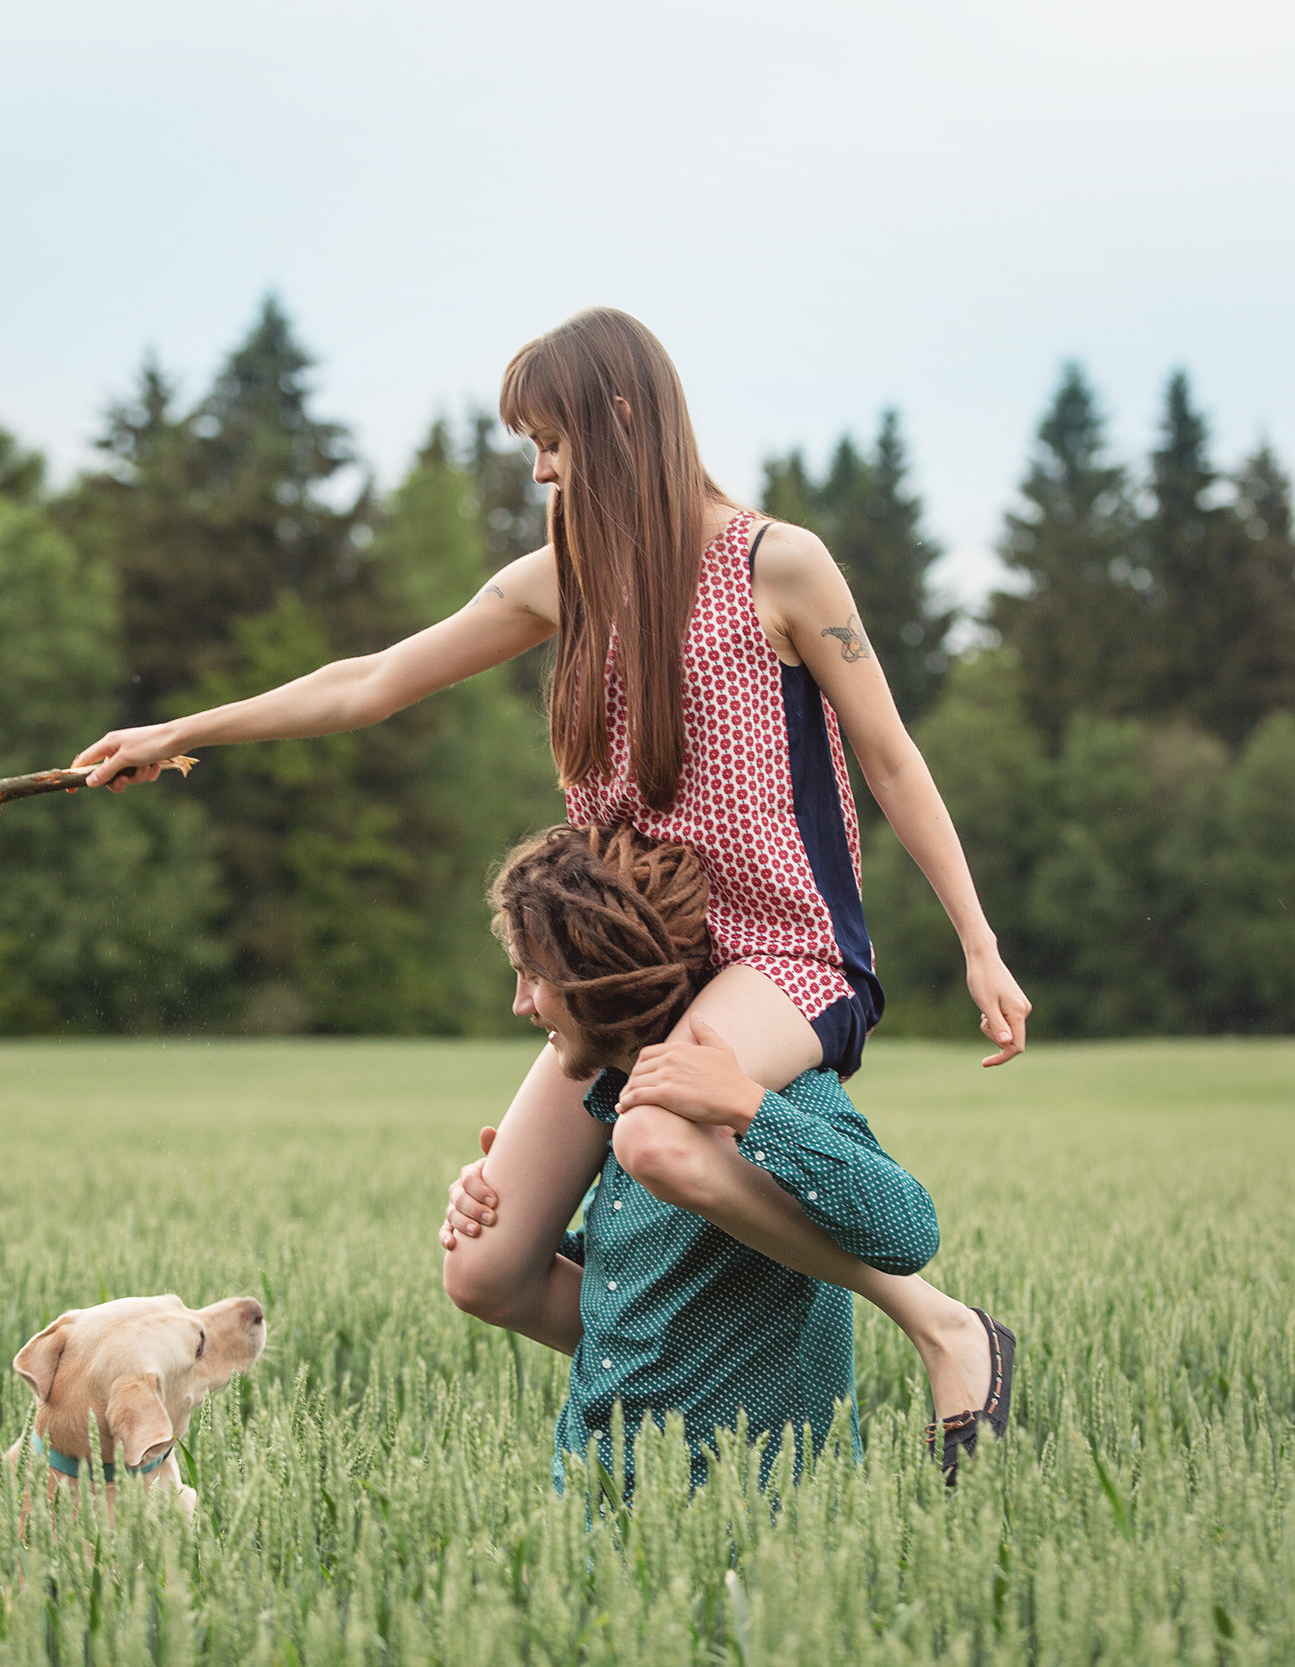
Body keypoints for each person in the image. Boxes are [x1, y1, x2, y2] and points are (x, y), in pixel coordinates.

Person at [73, 306, 1032, 1462]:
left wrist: (977, 940)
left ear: (622, 417)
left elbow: (889, 755)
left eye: (553, 437)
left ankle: (938, 1323)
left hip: (779, 953)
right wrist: (179, 730)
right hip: (631, 970)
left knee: (658, 1136)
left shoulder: (780, 562)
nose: (538, 466)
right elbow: (369, 680)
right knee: (482, 1263)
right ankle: (660, 1407)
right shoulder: (555, 583)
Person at [439, 823, 1008, 1489]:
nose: (520, 1006)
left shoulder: (774, 1095)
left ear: (594, 975)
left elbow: (910, 1227)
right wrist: (495, 1216)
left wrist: (749, 1106)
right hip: (599, 1510)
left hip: (765, 1528)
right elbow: (644, 1278)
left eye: (534, 978)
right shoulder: (614, 1120)